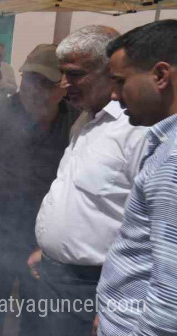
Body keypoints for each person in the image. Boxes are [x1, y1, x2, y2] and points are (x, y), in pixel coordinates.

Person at [29, 25, 147, 336]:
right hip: (55, 275)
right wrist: (50, 250)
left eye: (75, 74)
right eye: (62, 73)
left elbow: (149, 230)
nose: (64, 84)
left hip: (95, 286)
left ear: (110, 71)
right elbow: (81, 198)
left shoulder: (135, 130)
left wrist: (120, 303)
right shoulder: (84, 120)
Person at [0, 44, 79, 336]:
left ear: (64, 86)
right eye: (30, 79)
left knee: (38, 321)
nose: (35, 90)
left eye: (46, 83)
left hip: (42, 245)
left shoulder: (77, 124)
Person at [97, 19, 177, 336]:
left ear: (160, 76)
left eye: (120, 81)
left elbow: (171, 298)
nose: (114, 95)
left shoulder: (173, 161)